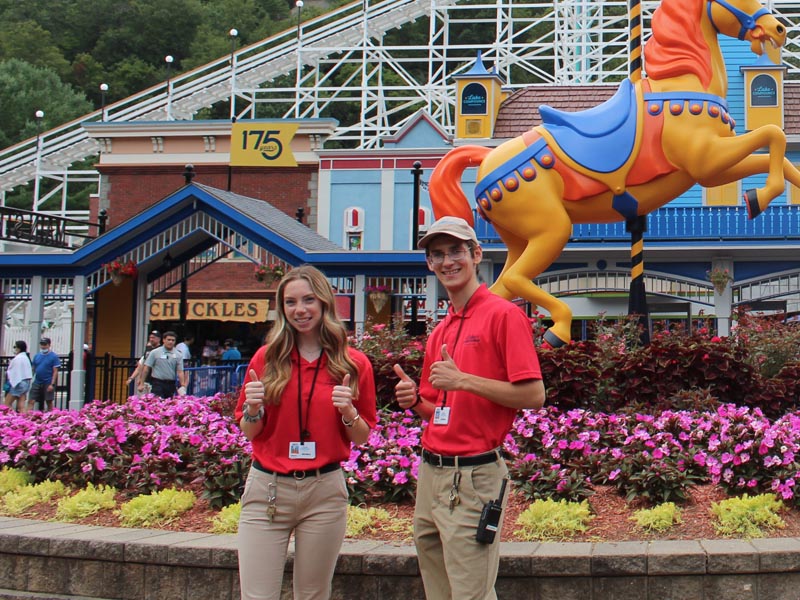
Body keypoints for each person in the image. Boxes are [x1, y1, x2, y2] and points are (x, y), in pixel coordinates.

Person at [393, 216, 546, 600]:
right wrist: (415, 402)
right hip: (431, 473)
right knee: (440, 590)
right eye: (437, 254)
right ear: (429, 263)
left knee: (470, 592)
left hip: (475, 478)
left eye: (456, 251)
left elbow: (533, 395)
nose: (448, 261)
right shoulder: (441, 331)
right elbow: (439, 409)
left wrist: (464, 381)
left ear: (476, 254)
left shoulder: (504, 315)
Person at [235, 264, 377, 600]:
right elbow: (249, 432)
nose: (300, 310)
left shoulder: (353, 364)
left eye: (308, 300)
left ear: (325, 303)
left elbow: (362, 436)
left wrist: (348, 412)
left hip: (324, 492)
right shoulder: (266, 358)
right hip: (267, 490)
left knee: (313, 594)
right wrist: (253, 410)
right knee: (257, 595)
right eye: (291, 302)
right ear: (282, 308)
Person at [140, 331, 187, 398]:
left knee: (169, 404)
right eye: (168, 340)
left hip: (171, 383)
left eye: (173, 340)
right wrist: (141, 383)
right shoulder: (155, 352)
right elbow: (146, 368)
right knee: (157, 403)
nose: (170, 342)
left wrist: (183, 385)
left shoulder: (178, 354)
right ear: (163, 340)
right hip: (157, 383)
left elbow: (180, 371)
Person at [29, 337, 62, 412]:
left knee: (49, 401)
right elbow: (33, 368)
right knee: (31, 400)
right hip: (37, 381)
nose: (43, 346)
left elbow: (55, 371)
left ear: (49, 345)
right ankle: (28, 417)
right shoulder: (37, 356)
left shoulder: (54, 356)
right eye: (42, 344)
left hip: (48, 381)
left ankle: (50, 416)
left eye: (45, 344)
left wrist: (52, 384)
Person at [127, 330, 161, 395]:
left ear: (159, 339)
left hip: (156, 380)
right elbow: (141, 365)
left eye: (153, 338)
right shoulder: (148, 349)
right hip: (146, 379)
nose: (151, 339)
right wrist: (136, 378)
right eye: (150, 337)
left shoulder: (160, 350)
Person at [3, 340, 32, 412]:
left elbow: (15, 372)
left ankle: (13, 418)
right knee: (21, 406)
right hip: (26, 383)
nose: (14, 349)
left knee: (6, 404)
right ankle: (24, 420)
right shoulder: (26, 357)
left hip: (18, 383)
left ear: (18, 348)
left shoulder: (18, 358)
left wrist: (12, 383)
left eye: (15, 347)